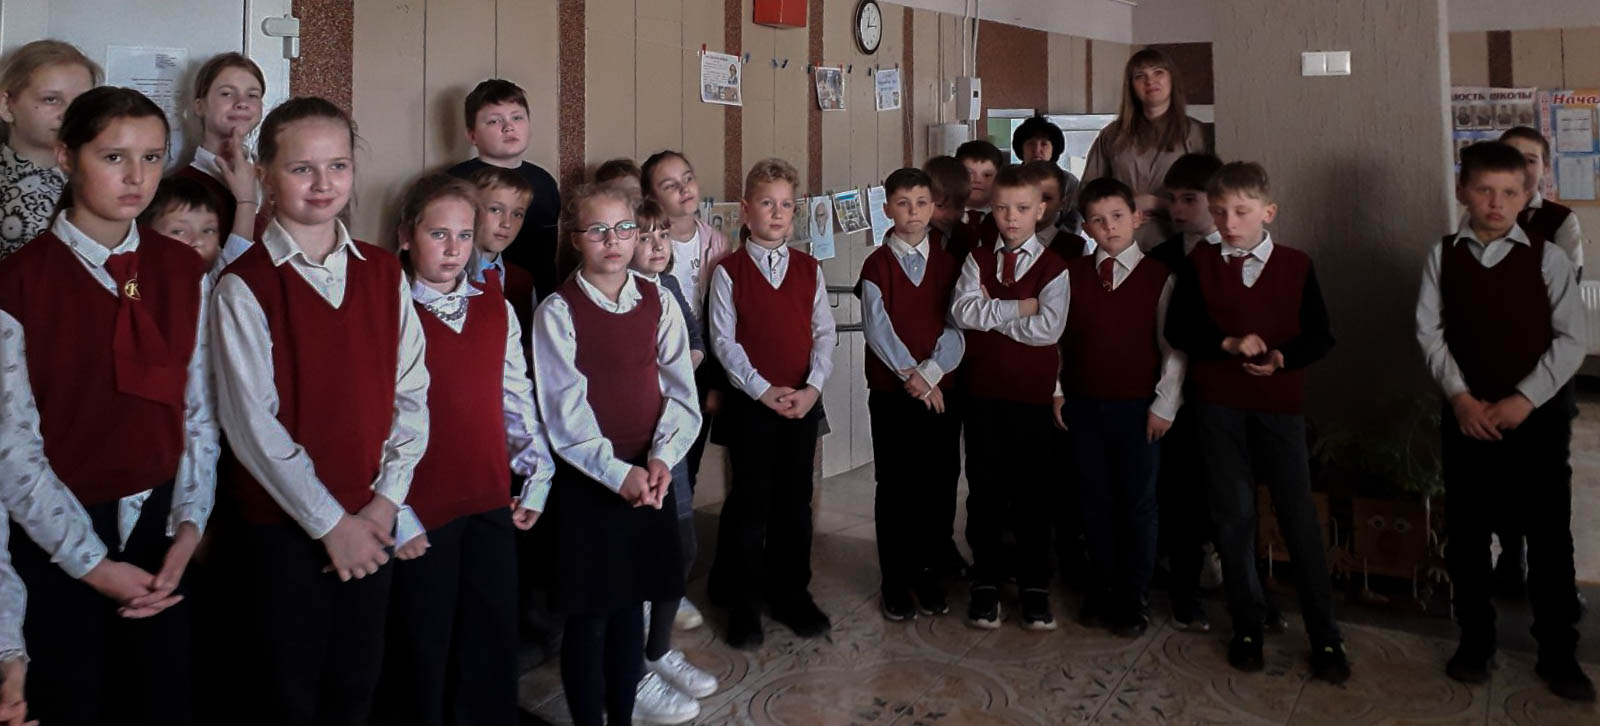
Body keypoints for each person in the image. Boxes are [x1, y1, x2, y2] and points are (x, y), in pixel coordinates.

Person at [210, 97, 430, 725]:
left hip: (371, 516)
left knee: (356, 680)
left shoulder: (384, 272)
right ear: (265, 176)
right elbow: (252, 425)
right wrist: (331, 524)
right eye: (301, 168)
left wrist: (385, 503)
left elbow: (412, 392)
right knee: (287, 691)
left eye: (337, 165)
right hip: (285, 529)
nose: (322, 183)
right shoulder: (244, 284)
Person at [0, 86, 215, 726]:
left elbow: (198, 409)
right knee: (72, 699)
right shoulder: (20, 282)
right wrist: (92, 566)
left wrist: (190, 524)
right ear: (67, 157)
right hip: (60, 534)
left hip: (162, 529)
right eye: (113, 157)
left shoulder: (181, 269)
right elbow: (13, 446)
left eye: (151, 158)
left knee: (161, 699)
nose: (136, 178)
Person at [374, 174, 555, 726]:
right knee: (423, 643)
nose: (453, 249)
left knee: (490, 634)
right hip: (419, 508)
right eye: (438, 234)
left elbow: (514, 397)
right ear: (406, 236)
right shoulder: (386, 312)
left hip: (488, 497)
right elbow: (371, 424)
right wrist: (396, 514)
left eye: (464, 235)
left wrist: (536, 474)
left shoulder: (494, 306)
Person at [1417, 141, 1591, 702]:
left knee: (1548, 537)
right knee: (1468, 535)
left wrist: (1524, 399)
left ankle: (1558, 651)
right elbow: (1429, 333)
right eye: (1484, 190)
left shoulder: (1548, 258)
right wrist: (1461, 398)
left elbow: (1571, 340)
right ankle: (1476, 640)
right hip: (1466, 418)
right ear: (1463, 191)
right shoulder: (1443, 256)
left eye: (1509, 193)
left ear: (1525, 196)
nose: (1496, 203)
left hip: (1535, 421)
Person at [1164, 161, 1347, 684]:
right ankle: (1247, 625)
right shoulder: (1200, 262)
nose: (1229, 223)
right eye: (1220, 212)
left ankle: (1325, 633)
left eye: (1241, 212)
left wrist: (1282, 357)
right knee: (1233, 516)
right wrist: (1225, 343)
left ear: (1268, 212)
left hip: (1279, 407)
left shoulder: (1296, 264)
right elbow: (1180, 328)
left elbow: (1320, 335)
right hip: (1218, 405)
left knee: (1297, 517)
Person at [530, 183, 699, 726]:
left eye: (624, 229)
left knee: (631, 608)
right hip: (590, 479)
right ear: (575, 238)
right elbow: (564, 410)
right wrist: (617, 473)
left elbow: (679, 388)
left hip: (649, 474)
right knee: (590, 615)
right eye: (598, 230)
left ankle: (622, 715)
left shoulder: (659, 300)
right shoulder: (558, 310)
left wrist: (661, 458)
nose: (613, 241)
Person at [706, 159, 836, 649]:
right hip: (751, 405)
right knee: (749, 502)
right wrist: (761, 390)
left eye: (786, 205)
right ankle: (742, 601)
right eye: (767, 203)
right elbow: (724, 342)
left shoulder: (809, 270)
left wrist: (812, 389)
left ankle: (790, 593)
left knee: (794, 501)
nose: (777, 213)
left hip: (801, 403)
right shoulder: (729, 272)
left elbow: (823, 334)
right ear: (746, 209)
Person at [1056, 177, 1184, 638]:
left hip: (1138, 408)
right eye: (1097, 219)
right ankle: (1102, 587)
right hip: (1084, 404)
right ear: (1086, 226)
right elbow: (1054, 341)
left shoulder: (1159, 277)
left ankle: (1134, 595)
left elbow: (1173, 349)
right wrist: (1057, 390)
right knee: (1094, 500)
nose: (1108, 226)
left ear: (1136, 218)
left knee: (1138, 503)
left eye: (1116, 217)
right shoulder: (1070, 275)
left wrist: (1165, 405)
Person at [949, 165, 1069, 632]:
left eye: (1021, 208)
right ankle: (987, 582)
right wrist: (1020, 307)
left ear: (1041, 210)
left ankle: (1035, 585)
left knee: (1033, 494)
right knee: (985, 492)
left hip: (1032, 399)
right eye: (1002, 208)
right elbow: (962, 312)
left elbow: (1049, 330)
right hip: (982, 395)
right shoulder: (977, 259)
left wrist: (990, 315)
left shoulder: (1054, 267)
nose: (1011, 218)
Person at [626, 199, 720, 723]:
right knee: (635, 555)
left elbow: (696, 341)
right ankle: (634, 667)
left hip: (671, 437)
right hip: (629, 444)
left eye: (663, 235)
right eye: (645, 237)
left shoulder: (669, 287)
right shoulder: (615, 295)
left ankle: (658, 649)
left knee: (681, 546)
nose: (657, 245)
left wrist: (683, 364)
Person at [858, 168, 964, 621]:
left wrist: (933, 373)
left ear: (933, 207)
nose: (913, 212)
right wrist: (914, 377)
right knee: (897, 487)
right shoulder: (876, 265)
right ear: (887, 209)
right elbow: (877, 329)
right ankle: (895, 581)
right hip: (893, 394)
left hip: (942, 392)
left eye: (921, 203)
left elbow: (958, 326)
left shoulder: (950, 264)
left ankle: (928, 574)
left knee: (938, 485)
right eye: (903, 203)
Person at [1146, 152, 1224, 633]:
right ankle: (1184, 591)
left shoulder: (1233, 253)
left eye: (1189, 199)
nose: (1177, 209)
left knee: (1229, 496)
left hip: (1226, 392)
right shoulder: (1163, 258)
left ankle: (1244, 590)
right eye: (1172, 199)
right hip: (1172, 398)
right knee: (1180, 494)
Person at [447, 79, 562, 299]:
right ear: (472, 135)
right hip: (470, 293)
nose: (508, 127)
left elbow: (547, 253)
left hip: (534, 295)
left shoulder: (544, 181)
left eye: (517, 118)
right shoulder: (457, 181)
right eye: (494, 121)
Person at [1082, 48, 1208, 247]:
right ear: (1131, 86)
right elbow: (1088, 191)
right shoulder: (1112, 135)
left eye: (1158, 72)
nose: (1150, 81)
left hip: (1179, 242)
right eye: (1140, 76)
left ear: (1171, 79)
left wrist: (1155, 203)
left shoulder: (1194, 133)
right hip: (1121, 242)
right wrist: (1120, 207)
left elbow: (1210, 198)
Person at [0, 40, 98, 258]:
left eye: (81, 102)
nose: (69, 113)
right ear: (6, 106)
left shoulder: (94, 177)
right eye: (51, 99)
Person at [172, 52, 267, 260]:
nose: (242, 103)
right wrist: (246, 203)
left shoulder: (273, 178)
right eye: (227, 94)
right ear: (199, 106)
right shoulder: (179, 189)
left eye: (252, 95)